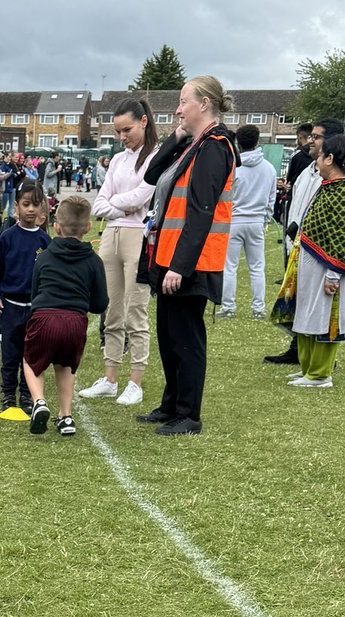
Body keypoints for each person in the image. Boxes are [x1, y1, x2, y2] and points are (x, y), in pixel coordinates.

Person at [137, 75, 237, 435]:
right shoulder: (193, 144)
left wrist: (180, 266)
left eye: (183, 102)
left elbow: (202, 211)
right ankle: (171, 405)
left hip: (193, 263)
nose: (178, 109)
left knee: (186, 338)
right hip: (169, 257)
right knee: (168, 335)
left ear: (204, 104)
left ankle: (189, 414)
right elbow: (151, 174)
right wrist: (176, 137)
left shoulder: (215, 146)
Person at [80, 96, 159, 408]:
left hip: (138, 236)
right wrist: (120, 206)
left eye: (126, 130)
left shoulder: (156, 156)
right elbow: (99, 203)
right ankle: (110, 378)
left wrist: (117, 205)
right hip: (111, 236)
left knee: (135, 309)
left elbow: (144, 195)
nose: (122, 137)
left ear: (143, 121)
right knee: (111, 309)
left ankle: (135, 382)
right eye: (117, 132)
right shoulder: (116, 160)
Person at [24, 195, 108, 438]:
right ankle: (66, 416)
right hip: (74, 321)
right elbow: (100, 303)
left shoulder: (45, 257)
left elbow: (35, 291)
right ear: (88, 227)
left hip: (45, 316)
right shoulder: (94, 261)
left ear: (56, 227)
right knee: (66, 365)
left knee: (31, 360)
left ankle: (39, 401)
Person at [264, 118, 344, 365]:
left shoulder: (336, 181)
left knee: (318, 307)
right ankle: (299, 350)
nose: (310, 140)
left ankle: (318, 363)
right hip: (299, 248)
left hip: (321, 253)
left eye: (316, 137)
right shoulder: (308, 171)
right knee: (299, 300)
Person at [0, 180, 51, 413]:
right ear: (17, 207)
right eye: (26, 204)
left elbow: (49, 277)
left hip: (35, 308)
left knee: (30, 355)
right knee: (11, 355)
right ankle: (7, 395)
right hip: (10, 307)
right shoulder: (7, 237)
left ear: (42, 208)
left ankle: (27, 395)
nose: (31, 210)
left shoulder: (45, 241)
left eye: (35, 205)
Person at [219, 125, 277, 319]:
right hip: (256, 221)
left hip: (234, 220)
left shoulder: (233, 167)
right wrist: (265, 219)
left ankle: (228, 307)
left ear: (238, 143)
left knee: (229, 266)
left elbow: (225, 196)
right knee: (257, 267)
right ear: (257, 141)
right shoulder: (268, 168)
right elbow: (271, 198)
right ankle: (258, 309)